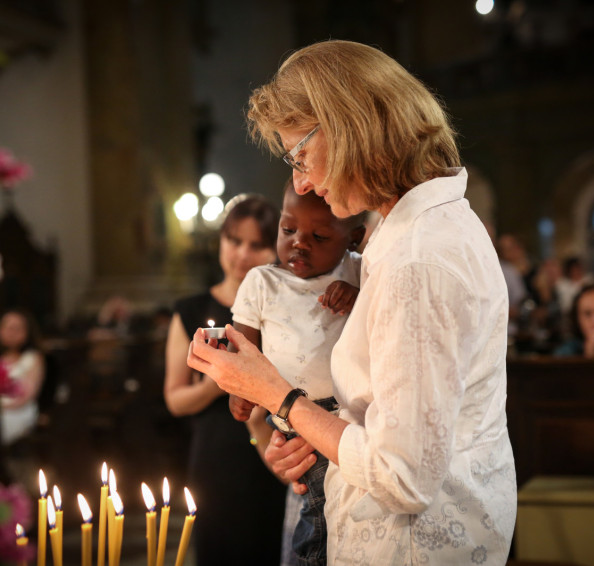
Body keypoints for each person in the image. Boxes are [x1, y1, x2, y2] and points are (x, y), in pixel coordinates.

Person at [188, 40, 517, 564]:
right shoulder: (410, 225)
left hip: (407, 544)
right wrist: (311, 434)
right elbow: (389, 407)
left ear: (348, 129)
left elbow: (402, 475)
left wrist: (281, 397)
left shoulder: (418, 259)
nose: (301, 182)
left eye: (300, 155)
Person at [230, 181, 366, 566]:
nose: (300, 243)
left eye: (319, 236)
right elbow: (244, 353)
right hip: (294, 418)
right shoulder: (262, 282)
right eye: (288, 230)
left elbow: (380, 320)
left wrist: (357, 298)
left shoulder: (359, 273)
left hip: (346, 419)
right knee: (316, 514)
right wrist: (240, 393)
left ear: (353, 238)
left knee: (332, 514)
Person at [163, 194, 286, 566]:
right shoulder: (191, 311)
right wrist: (220, 382)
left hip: (272, 447)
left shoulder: (282, 310)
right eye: (234, 241)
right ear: (221, 241)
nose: (242, 254)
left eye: (257, 244)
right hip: (216, 452)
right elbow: (175, 399)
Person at [0, 309, 46, 446]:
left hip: (19, 411)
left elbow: (26, 395)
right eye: (7, 327)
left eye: (16, 328)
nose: (11, 332)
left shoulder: (32, 358)